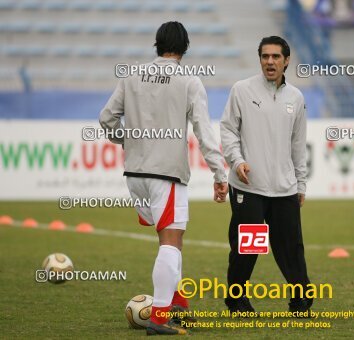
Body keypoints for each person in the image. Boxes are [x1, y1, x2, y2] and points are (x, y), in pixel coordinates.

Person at [99, 21, 228, 335]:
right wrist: (219, 172)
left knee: (172, 241)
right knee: (171, 242)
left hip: (135, 175)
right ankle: (158, 317)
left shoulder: (131, 76)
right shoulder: (189, 81)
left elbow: (106, 119)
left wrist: (127, 140)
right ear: (185, 48)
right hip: (166, 174)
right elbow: (203, 131)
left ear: (156, 44)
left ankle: (179, 307)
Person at [220, 36, 312, 314]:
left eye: (275, 57)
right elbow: (227, 131)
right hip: (249, 186)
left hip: (284, 188)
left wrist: (301, 182)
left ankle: (300, 301)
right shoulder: (241, 90)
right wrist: (237, 162)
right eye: (264, 56)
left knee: (291, 248)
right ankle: (237, 300)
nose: (269, 62)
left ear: (287, 61)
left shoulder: (296, 97)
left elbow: (298, 144)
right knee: (248, 247)